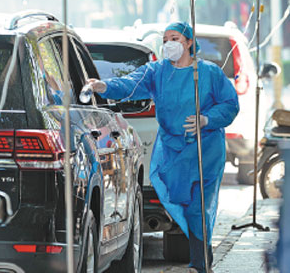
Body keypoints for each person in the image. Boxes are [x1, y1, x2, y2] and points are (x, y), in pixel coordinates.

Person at [85, 21, 239, 273]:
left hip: (204, 149)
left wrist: (206, 119)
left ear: (189, 42)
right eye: (166, 39)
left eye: (175, 38)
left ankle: (199, 263)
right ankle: (202, 252)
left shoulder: (209, 73)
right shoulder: (156, 72)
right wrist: (104, 86)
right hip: (171, 149)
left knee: (200, 206)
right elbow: (130, 84)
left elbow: (230, 104)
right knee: (178, 200)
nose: (169, 44)